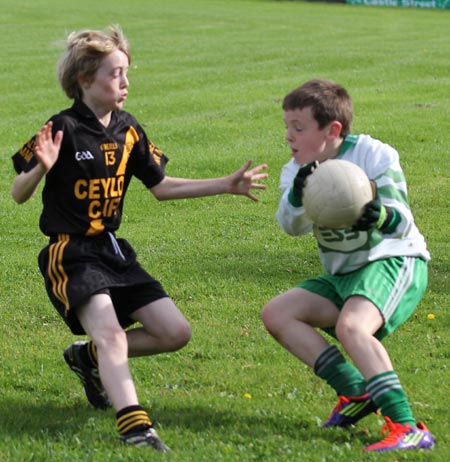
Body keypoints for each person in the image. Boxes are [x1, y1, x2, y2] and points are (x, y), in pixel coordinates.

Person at [11, 25, 268, 452]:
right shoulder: (62, 127)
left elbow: (162, 186)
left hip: (112, 252)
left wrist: (225, 183)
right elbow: (19, 194)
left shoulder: (129, 130)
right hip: (71, 252)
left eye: (127, 72)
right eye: (115, 74)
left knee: (174, 332)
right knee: (111, 334)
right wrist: (40, 167)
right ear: (84, 79)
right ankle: (135, 428)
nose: (125, 83)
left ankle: (87, 358)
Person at [261, 79, 435, 452]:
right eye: (287, 126)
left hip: (392, 259)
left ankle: (408, 427)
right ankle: (356, 392)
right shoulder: (296, 170)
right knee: (278, 314)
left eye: (299, 128)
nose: (289, 136)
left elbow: (402, 221)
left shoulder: (373, 154)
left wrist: (380, 215)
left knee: (352, 327)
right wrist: (297, 193)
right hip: (345, 273)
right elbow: (290, 226)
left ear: (333, 129)